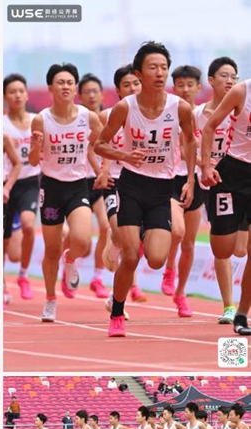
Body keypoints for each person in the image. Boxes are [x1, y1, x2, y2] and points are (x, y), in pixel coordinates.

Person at [95, 41, 196, 337]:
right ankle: (117, 312)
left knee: (156, 258)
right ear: (139, 73)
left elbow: (190, 141)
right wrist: (124, 155)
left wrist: (190, 179)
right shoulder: (125, 108)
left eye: (164, 67)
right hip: (131, 185)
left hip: (162, 189)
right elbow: (100, 144)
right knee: (130, 257)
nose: (160, 73)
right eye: (153, 67)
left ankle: (137, 233)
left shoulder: (180, 108)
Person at [29, 63, 101, 322]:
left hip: (78, 185)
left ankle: (70, 260)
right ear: (50, 87)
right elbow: (34, 160)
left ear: (75, 87)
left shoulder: (87, 117)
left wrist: (101, 170)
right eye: (61, 82)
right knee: (51, 250)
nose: (66, 86)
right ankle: (50, 300)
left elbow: (98, 146)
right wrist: (35, 145)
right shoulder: (41, 119)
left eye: (70, 82)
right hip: (51, 187)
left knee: (82, 240)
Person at [201, 61, 251, 334]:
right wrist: (206, 166)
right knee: (224, 249)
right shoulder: (242, 91)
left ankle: (241, 314)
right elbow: (210, 127)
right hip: (232, 173)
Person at [99, 65, 146, 308]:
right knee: (121, 235)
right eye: (126, 85)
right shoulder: (106, 115)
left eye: (136, 83)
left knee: (134, 244)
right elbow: (100, 144)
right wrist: (104, 170)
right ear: (118, 90)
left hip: (142, 181)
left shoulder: (150, 115)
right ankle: (113, 238)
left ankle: (116, 297)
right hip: (114, 181)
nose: (132, 88)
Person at [160, 65, 204, 317]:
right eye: (180, 85)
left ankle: (180, 294)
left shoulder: (204, 115)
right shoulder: (169, 113)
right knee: (177, 230)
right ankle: (169, 268)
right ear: (174, 87)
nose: (185, 89)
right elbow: (187, 151)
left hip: (195, 180)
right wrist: (204, 163)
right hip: (171, 180)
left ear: (199, 87)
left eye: (190, 85)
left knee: (189, 243)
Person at [3, 74, 40, 300]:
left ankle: (23, 276)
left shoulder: (38, 121)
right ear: (5, 97)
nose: (17, 95)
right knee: (5, 241)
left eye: (21, 91)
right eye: (12, 92)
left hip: (30, 182)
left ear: (26, 95)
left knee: (29, 225)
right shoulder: (3, 126)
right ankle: (2, 284)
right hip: (7, 184)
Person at [77, 73, 110, 299]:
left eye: (95, 91)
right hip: (81, 181)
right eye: (87, 92)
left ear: (102, 94)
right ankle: (69, 265)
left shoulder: (109, 119)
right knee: (83, 242)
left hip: (103, 180)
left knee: (106, 227)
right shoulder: (77, 119)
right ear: (80, 96)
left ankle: (97, 278)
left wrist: (104, 172)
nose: (91, 95)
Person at [3, 133, 23, 304]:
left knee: (15, 255)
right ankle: (2, 285)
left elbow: (18, 164)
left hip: (7, 191)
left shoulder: (5, 137)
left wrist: (7, 187)